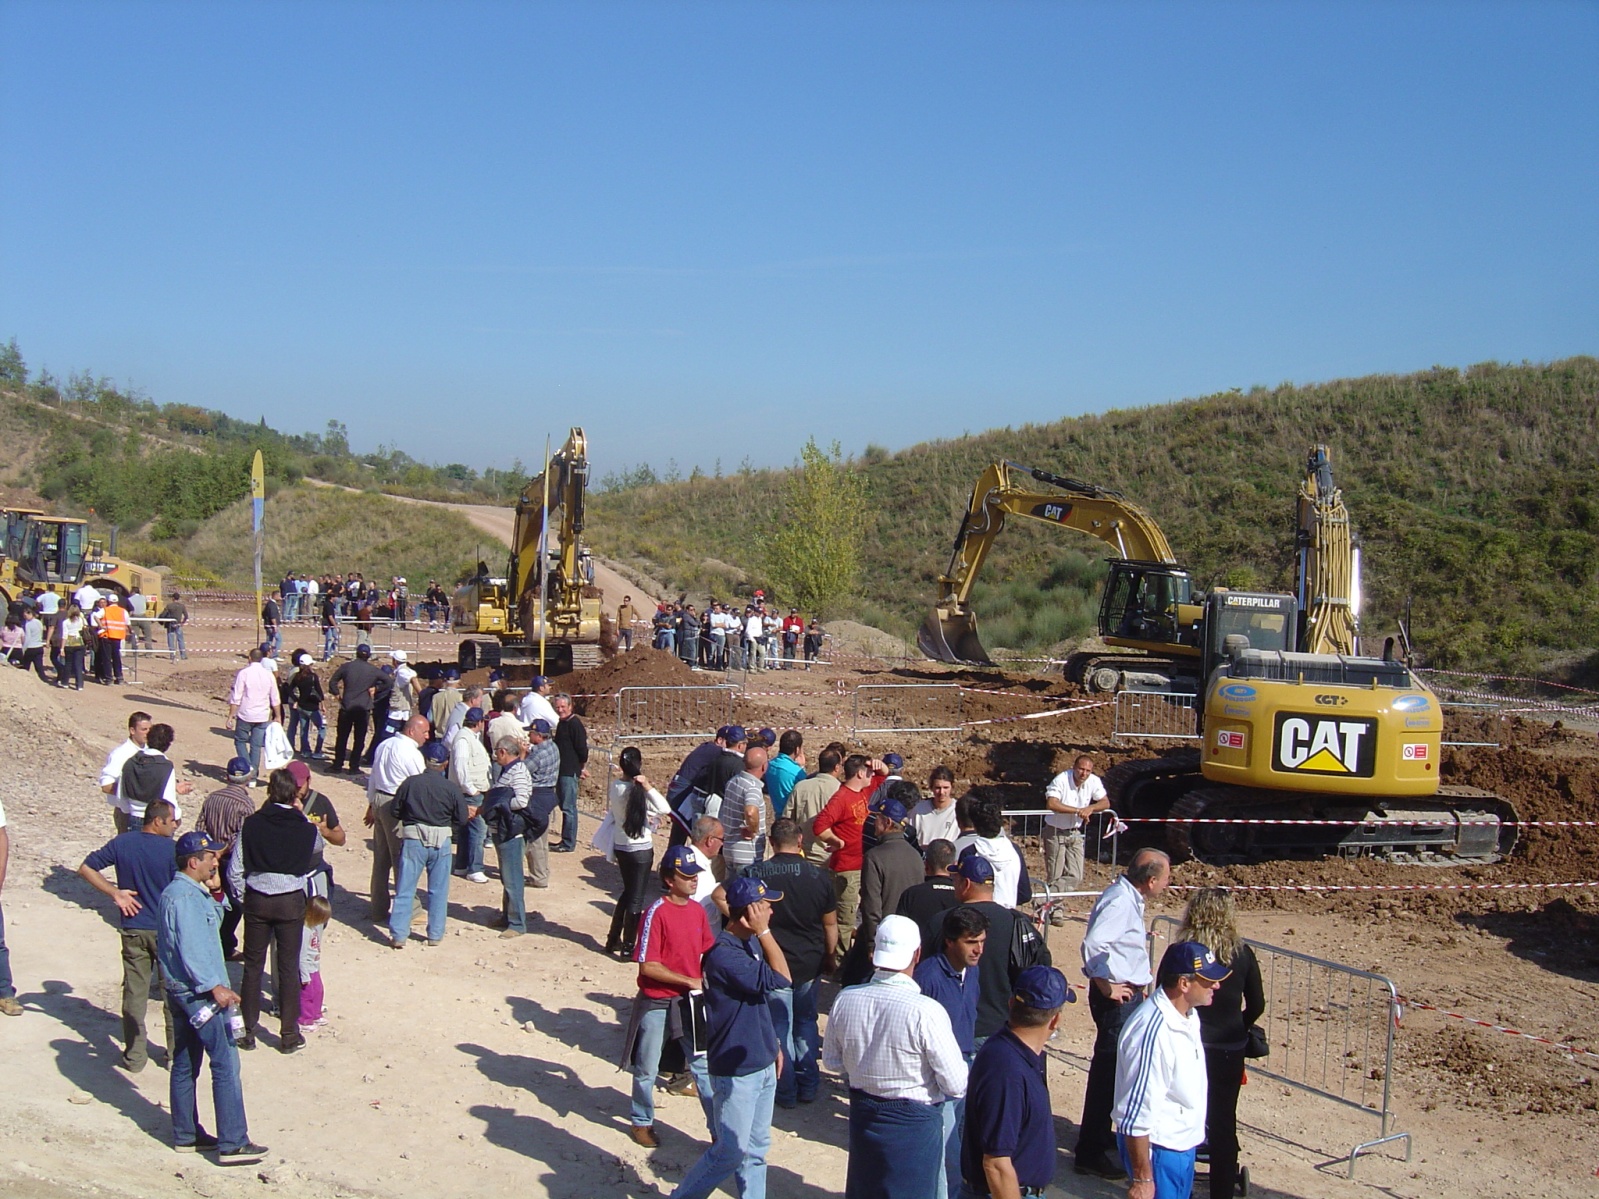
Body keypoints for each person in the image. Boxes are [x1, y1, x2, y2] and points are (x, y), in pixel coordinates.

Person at [823, 914, 968, 1199]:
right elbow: (956, 1084)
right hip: (914, 1124)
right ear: (917, 953)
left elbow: (832, 1062)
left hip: (865, 1115)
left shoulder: (846, 999)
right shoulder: (926, 1011)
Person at [667, 876, 790, 1199]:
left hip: (760, 1060)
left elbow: (758, 999)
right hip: (737, 1073)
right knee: (729, 1153)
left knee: (757, 1149)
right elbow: (781, 979)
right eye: (765, 907)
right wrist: (764, 932)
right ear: (749, 912)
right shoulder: (726, 955)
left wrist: (773, 1042)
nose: (771, 913)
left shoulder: (747, 944)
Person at [158, 830, 267, 1161]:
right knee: (225, 1061)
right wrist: (213, 986)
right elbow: (192, 947)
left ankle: (185, 1134)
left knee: (185, 1061)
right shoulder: (187, 899)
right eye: (210, 857)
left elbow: (214, 924)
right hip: (198, 992)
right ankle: (233, 1141)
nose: (215, 860)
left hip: (178, 989)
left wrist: (217, 889)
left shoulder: (184, 892)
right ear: (194, 862)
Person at [1075, 848, 1173, 1181]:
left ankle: (1100, 1139)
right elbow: (1093, 946)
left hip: (1126, 995)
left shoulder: (1127, 898)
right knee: (1108, 1073)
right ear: (1151, 879)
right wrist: (1106, 986)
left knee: (1115, 1071)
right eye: (1167, 877)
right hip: (1118, 1000)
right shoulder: (1119, 901)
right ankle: (1090, 1151)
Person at [1114, 941, 1231, 1199]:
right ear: (1184, 984)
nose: (1217, 985)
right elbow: (1135, 1114)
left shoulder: (1187, 1016)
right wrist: (1143, 1178)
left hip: (1180, 1146)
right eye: (1208, 979)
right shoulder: (1153, 1033)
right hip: (1160, 1151)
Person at [620, 845, 717, 1149]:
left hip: (690, 1002)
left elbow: (707, 951)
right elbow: (648, 965)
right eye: (686, 875)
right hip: (659, 1001)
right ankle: (641, 1121)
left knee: (702, 1069)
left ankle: (719, 1130)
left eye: (695, 874)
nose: (694, 880)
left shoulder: (698, 911)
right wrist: (688, 980)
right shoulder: (655, 914)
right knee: (647, 1067)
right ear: (668, 879)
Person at [737, 817, 838, 1107]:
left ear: (771, 842)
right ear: (801, 841)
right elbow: (830, 925)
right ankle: (808, 1085)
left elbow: (724, 894)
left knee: (779, 1024)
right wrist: (829, 957)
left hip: (772, 961)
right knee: (806, 1022)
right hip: (809, 962)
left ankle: (785, 1089)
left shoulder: (755, 873)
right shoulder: (820, 877)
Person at [76, 799, 180, 1072]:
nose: (174, 826)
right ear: (158, 821)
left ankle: (135, 1056)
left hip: (133, 927)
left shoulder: (123, 843)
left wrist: (114, 893)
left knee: (135, 993)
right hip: (165, 931)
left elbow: (86, 867)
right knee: (172, 995)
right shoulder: (172, 850)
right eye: (172, 821)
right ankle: (174, 1056)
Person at [1177, 889, 1265, 1199]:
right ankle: (1222, 1191)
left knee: (1184, 1115)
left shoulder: (1183, 951)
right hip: (1228, 1046)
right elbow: (1257, 1002)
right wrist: (1242, 1023)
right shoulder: (1242, 953)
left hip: (1190, 1043)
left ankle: (1180, 1184)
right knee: (1224, 1121)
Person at [228, 769, 320, 1053]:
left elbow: (235, 870)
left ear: (269, 791)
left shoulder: (252, 824)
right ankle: (289, 1035)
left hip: (258, 897)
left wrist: (246, 898)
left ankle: (248, 1032)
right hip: (290, 899)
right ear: (295, 794)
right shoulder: (306, 828)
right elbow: (317, 848)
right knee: (288, 967)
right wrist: (301, 815)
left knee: (253, 967)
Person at [961, 966, 1072, 1199]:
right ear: (1055, 1020)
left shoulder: (1017, 1055)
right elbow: (996, 1164)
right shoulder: (1006, 1069)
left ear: (1012, 1003)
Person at [915, 905, 989, 1199]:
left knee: (957, 1142)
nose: (979, 950)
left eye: (982, 941)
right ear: (949, 941)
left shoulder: (971, 972)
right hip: (938, 1075)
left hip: (964, 1064)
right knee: (945, 1152)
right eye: (971, 942)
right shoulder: (927, 978)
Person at [948, 848, 1054, 1045]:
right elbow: (1041, 967)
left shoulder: (944, 922)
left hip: (956, 1030)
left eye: (955, 879)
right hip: (1004, 1027)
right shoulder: (1017, 922)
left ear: (966, 883)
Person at [388, 740, 476, 948]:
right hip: (441, 840)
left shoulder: (410, 783)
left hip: (414, 838)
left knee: (405, 888)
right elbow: (462, 818)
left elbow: (394, 811)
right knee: (438, 890)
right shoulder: (451, 788)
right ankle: (435, 934)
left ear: (425, 761)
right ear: (445, 764)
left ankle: (399, 935)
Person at [813, 754, 889, 955]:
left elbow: (883, 777)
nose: (872, 775)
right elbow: (820, 825)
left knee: (856, 913)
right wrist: (836, 841)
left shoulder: (862, 792)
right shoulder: (842, 797)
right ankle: (837, 962)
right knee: (845, 919)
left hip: (859, 864)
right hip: (845, 867)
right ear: (860, 773)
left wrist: (879, 766)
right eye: (869, 772)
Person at [851, 789, 924, 984]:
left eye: (878, 818)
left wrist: (871, 944)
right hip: (907, 937)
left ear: (887, 823)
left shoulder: (875, 857)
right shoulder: (916, 857)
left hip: (883, 938)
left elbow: (871, 904)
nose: (873, 822)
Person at [604, 747, 670, 956]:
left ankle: (613, 938)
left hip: (622, 846)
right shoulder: (638, 792)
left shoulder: (616, 787)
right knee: (636, 898)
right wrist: (648, 786)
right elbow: (664, 808)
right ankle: (628, 947)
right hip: (641, 848)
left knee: (627, 892)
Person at [366, 715, 429, 924]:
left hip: (379, 799)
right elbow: (420, 785)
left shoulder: (385, 744)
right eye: (424, 732)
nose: (427, 737)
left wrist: (371, 804)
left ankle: (378, 908)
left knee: (381, 858)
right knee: (402, 857)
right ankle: (410, 909)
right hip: (397, 803)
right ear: (412, 731)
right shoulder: (411, 753)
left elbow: (374, 775)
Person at [195, 758, 257, 959]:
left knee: (215, 898)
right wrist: (223, 849)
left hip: (210, 857)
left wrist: (210, 851)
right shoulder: (245, 804)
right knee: (233, 904)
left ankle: (216, 941)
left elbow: (200, 828)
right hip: (231, 859)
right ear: (248, 777)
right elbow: (243, 836)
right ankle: (224, 945)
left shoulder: (212, 798)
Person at [1042, 754, 1111, 921]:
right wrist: (1078, 810)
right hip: (1056, 831)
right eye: (1081, 769)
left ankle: (1043, 899)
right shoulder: (1061, 780)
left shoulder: (1093, 781)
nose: (1084, 773)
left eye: (1088, 770)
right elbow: (1051, 803)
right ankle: (1055, 911)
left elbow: (1105, 803)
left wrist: (1091, 808)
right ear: (1074, 767)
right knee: (1055, 874)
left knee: (1076, 875)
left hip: (1076, 832)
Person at [954, 797, 1029, 910]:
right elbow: (1024, 894)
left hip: (976, 916)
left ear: (975, 825)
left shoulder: (969, 852)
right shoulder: (1014, 850)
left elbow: (962, 889)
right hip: (1007, 915)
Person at [896, 839, 961, 960]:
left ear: (926, 865)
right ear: (954, 865)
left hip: (919, 962)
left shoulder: (911, 894)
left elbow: (901, 933)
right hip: (954, 964)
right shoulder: (961, 895)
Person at [449, 707, 493, 884]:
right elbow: (461, 766)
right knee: (478, 830)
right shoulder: (463, 740)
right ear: (479, 722)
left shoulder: (469, 737)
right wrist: (471, 789)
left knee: (466, 830)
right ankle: (475, 868)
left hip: (472, 791)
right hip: (470, 793)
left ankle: (462, 865)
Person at [119, 723, 192, 826]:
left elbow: (122, 792)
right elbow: (168, 798)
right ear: (168, 744)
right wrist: (177, 817)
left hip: (133, 816)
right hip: (155, 821)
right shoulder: (165, 766)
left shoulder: (131, 761)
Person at [227, 649, 281, 785]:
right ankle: (254, 776)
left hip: (245, 714)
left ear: (250, 658)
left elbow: (236, 697)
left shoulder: (244, 673)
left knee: (240, 741)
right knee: (256, 746)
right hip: (262, 715)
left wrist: (230, 716)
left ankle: (248, 768)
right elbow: (275, 698)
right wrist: (278, 716)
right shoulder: (268, 675)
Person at [328, 644, 381, 774]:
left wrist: (337, 695)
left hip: (347, 706)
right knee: (359, 739)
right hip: (363, 709)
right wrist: (376, 689)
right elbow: (388, 682)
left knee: (342, 737)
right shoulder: (373, 670)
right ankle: (354, 766)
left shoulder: (346, 667)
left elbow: (332, 682)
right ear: (368, 656)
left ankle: (337, 765)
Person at [786, 746, 842, 864]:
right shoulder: (841, 791)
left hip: (802, 854)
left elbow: (787, 820)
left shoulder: (800, 787)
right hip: (828, 855)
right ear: (837, 767)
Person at [100, 711, 152, 833]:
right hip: (127, 812)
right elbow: (106, 786)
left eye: (150, 729)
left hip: (148, 812)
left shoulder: (151, 752)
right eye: (144, 729)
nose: (148, 733)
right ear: (132, 731)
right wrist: (132, 790)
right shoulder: (120, 754)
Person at [719, 745, 769, 873]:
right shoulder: (752, 788)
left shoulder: (733, 781)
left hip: (730, 849)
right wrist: (753, 830)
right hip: (747, 855)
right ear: (764, 766)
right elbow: (750, 812)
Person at [551, 692, 589, 853]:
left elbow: (582, 749)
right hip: (561, 770)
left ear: (570, 706)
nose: (560, 710)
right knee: (564, 805)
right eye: (557, 707)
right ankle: (565, 839)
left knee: (569, 807)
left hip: (569, 771)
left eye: (563, 707)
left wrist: (580, 767)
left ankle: (568, 842)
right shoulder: (562, 723)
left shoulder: (575, 724)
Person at [284, 652, 326, 758]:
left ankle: (305, 751)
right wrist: (322, 704)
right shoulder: (313, 677)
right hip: (312, 707)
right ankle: (317, 751)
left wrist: (296, 699)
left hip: (301, 706)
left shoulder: (297, 677)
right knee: (322, 727)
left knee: (304, 729)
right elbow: (319, 692)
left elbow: (288, 688)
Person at [909, 766, 960, 851]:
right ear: (931, 787)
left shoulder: (958, 810)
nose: (941, 792)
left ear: (952, 787)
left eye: (945, 788)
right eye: (938, 788)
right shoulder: (919, 810)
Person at [763, 730, 805, 819]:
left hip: (778, 816)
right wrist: (802, 768)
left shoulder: (769, 765)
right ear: (797, 749)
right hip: (792, 819)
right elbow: (805, 792)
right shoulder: (796, 772)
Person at [97, 592, 129, 684]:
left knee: (107, 658)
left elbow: (96, 616)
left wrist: (101, 626)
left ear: (108, 601)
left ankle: (109, 678)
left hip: (107, 636)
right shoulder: (123, 611)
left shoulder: (105, 610)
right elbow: (127, 623)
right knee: (116, 658)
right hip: (118, 637)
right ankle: (119, 677)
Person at [57, 603, 89, 689]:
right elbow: (85, 628)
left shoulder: (66, 622)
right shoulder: (81, 620)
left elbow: (64, 635)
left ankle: (65, 682)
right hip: (79, 642)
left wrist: (62, 648)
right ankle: (79, 685)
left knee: (68, 663)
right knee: (78, 665)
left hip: (69, 643)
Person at [164, 591, 190, 661]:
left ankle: (172, 655)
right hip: (178, 624)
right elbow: (186, 616)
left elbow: (164, 614)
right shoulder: (182, 606)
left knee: (171, 640)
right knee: (180, 640)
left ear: (173, 598)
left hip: (170, 624)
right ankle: (183, 655)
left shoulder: (169, 605)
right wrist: (182, 623)